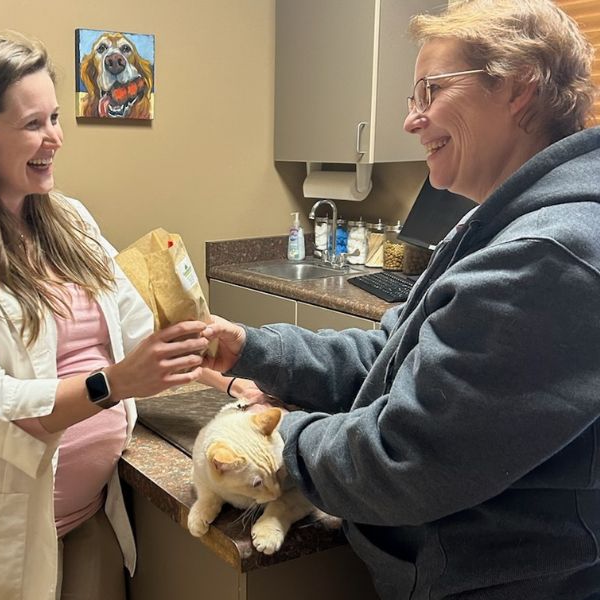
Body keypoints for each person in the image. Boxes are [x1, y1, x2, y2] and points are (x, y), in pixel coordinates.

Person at [203, 1, 600, 598]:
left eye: (429, 91)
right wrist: (255, 350)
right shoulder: (498, 224)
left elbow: (405, 456)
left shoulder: (544, 256)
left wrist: (276, 435)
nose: (412, 121)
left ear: (520, 88)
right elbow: (393, 352)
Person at [0, 32, 211, 600]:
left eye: (56, 117)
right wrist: (112, 384)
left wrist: (230, 375)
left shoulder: (70, 219)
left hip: (89, 510)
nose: (56, 138)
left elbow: (138, 326)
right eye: (34, 124)